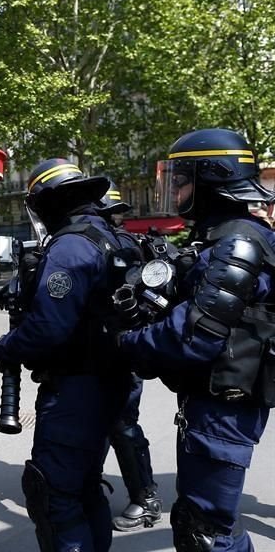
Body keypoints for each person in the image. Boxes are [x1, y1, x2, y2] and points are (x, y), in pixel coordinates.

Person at [117, 128, 275, 551]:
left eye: (182, 180)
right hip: (213, 402)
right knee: (198, 519)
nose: (176, 191)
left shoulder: (237, 242)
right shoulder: (220, 237)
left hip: (225, 407)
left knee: (208, 530)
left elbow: (195, 337)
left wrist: (124, 344)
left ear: (211, 179)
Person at [0, 159, 139, 552]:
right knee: (86, 485)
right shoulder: (116, 238)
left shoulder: (71, 246)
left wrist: (6, 348)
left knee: (55, 493)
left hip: (76, 387)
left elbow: (47, 329)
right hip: (114, 379)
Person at [96, 182, 162, 532]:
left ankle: (145, 497)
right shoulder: (122, 242)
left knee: (122, 426)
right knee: (113, 425)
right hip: (115, 349)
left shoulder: (120, 246)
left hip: (118, 350)